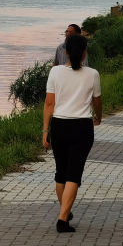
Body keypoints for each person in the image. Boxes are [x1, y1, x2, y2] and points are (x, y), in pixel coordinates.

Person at [43, 34, 101, 234]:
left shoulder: (55, 72)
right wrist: (99, 117)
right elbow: (97, 102)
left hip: (58, 125)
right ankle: (62, 219)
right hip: (82, 127)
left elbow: (49, 103)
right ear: (85, 53)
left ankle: (65, 212)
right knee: (74, 174)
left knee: (61, 173)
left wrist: (45, 130)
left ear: (65, 52)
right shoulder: (93, 74)